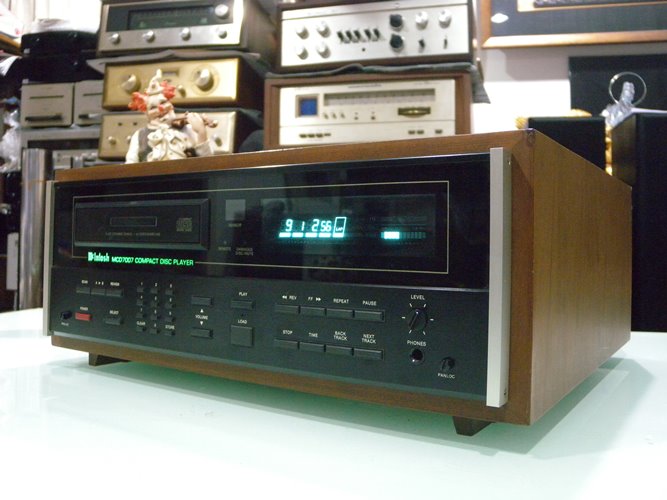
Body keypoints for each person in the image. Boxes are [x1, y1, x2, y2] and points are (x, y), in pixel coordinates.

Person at [125, 69, 214, 163]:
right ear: (146, 113)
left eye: (163, 102)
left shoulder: (188, 129)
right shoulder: (139, 135)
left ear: (170, 104)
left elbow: (207, 162)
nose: (160, 109)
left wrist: (201, 132)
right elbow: (130, 165)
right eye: (153, 107)